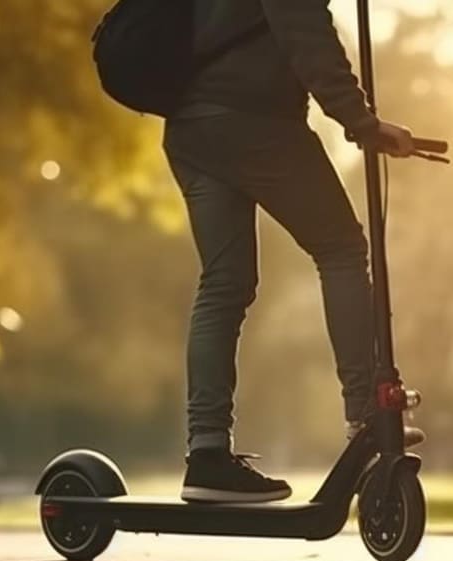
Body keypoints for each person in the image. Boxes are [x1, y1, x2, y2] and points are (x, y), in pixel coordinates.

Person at [167, 0, 424, 504]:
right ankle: (366, 414)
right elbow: (304, 30)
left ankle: (208, 454)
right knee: (342, 250)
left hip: (191, 125)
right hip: (255, 120)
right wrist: (361, 122)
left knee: (224, 283)